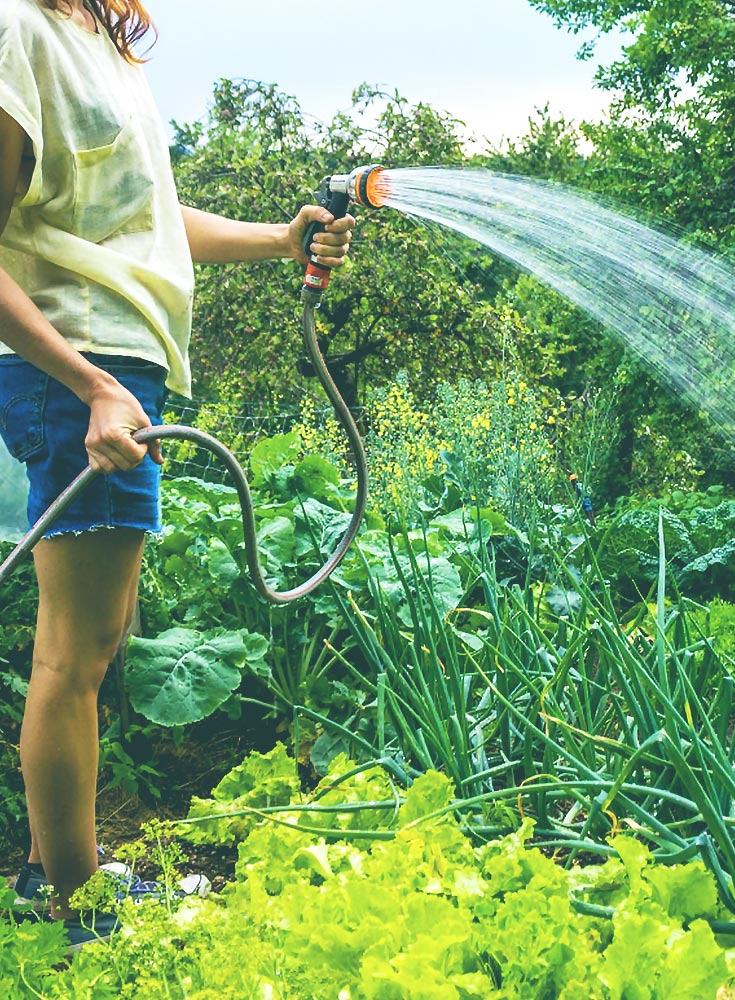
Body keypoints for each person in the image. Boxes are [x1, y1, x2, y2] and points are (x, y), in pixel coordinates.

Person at [0, 0, 355, 948]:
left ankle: (50, 869)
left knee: (90, 642)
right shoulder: (19, 30)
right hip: (75, 363)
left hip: (120, 367)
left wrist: (279, 241)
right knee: (74, 656)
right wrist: (90, 386)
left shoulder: (104, 46)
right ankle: (79, 909)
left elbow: (149, 220)